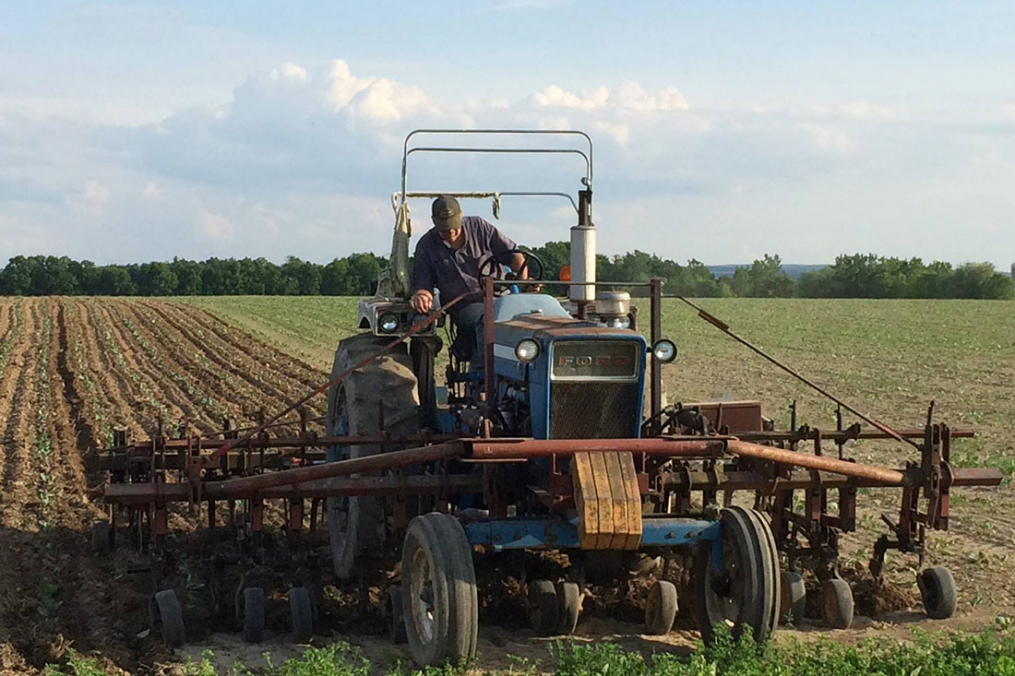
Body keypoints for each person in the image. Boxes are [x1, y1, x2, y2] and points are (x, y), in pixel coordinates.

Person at [410, 195, 529, 364]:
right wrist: (422, 296)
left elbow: (515, 257)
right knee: (486, 318)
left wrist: (524, 284)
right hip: (465, 306)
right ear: (434, 221)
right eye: (444, 229)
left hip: (503, 297)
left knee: (536, 316)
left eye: (454, 227)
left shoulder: (479, 227)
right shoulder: (426, 246)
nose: (450, 232)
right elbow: (423, 285)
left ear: (461, 216)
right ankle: (485, 374)